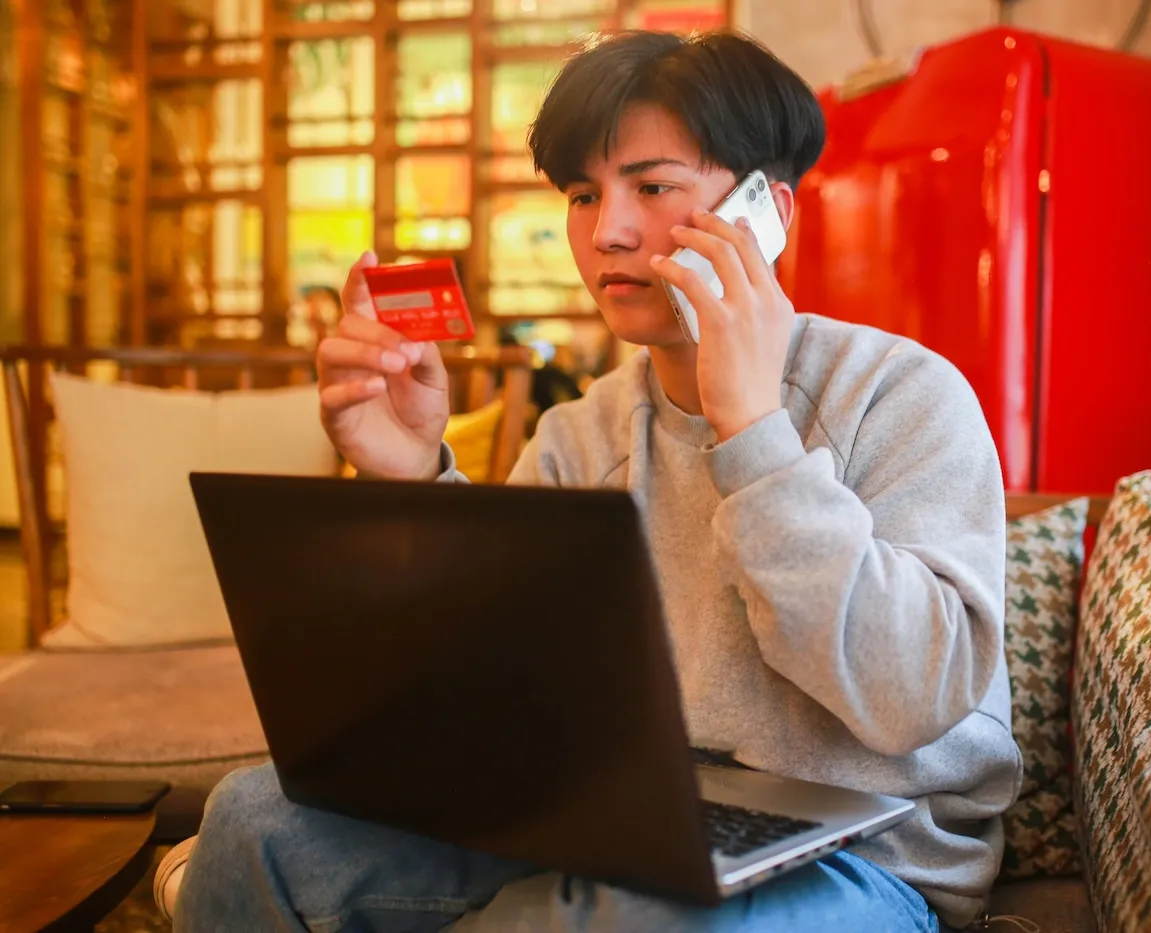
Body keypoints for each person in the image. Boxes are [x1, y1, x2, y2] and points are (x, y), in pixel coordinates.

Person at [175, 29, 1017, 933]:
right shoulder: (584, 432)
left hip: (866, 859)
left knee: (618, 917)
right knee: (255, 822)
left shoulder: (902, 394)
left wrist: (755, 434)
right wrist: (415, 474)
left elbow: (915, 700)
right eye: (584, 194)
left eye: (652, 187)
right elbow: (501, 679)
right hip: (628, 820)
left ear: (764, 213)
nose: (608, 230)